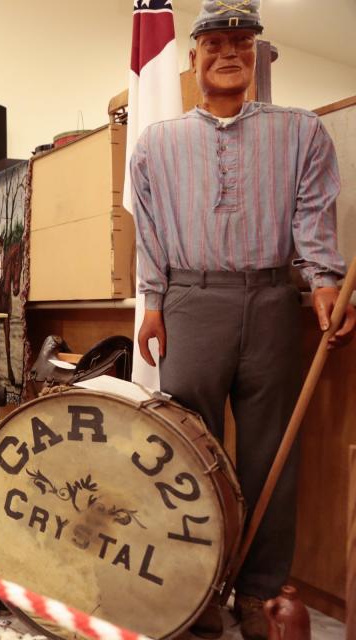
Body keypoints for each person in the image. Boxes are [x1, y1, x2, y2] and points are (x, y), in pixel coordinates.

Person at [131, 2, 355, 639]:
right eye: (217, 42)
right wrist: (152, 301)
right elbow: (148, 232)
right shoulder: (157, 144)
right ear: (194, 57)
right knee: (184, 456)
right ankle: (192, 587)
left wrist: (323, 282)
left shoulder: (301, 132)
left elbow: (314, 215)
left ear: (256, 53)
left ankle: (258, 593)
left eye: (243, 43)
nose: (231, 53)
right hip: (191, 303)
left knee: (270, 455)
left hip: (272, 304)